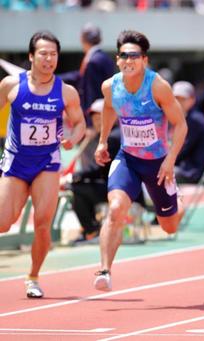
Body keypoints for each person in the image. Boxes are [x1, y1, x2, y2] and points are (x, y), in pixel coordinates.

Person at [93, 30, 187, 291]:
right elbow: (110, 108)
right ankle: (104, 270)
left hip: (158, 164)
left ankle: (178, 202)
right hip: (129, 159)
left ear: (145, 60)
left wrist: (170, 161)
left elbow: (181, 126)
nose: (128, 60)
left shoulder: (157, 86)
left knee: (168, 227)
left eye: (134, 55)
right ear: (117, 59)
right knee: (115, 209)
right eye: (124, 55)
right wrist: (102, 141)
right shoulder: (110, 87)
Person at [0, 31, 86, 298]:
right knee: (4, 222)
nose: (49, 59)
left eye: (53, 54)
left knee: (42, 222)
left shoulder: (66, 92)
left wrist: (73, 138)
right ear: (31, 56)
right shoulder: (11, 85)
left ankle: (33, 277)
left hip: (47, 163)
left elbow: (80, 122)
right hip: (15, 162)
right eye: (43, 54)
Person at [62, 98, 121, 244]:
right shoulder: (100, 137)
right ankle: (91, 229)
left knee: (77, 189)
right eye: (94, 118)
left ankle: (91, 230)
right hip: (111, 185)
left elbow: (100, 169)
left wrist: (73, 177)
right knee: (80, 187)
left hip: (118, 189)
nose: (98, 121)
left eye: (101, 117)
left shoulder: (114, 137)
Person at [60, 23, 115, 123]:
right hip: (106, 113)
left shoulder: (93, 61)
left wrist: (90, 123)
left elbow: (92, 94)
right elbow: (81, 76)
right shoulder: (105, 58)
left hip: (96, 118)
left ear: (82, 39)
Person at [172, 80, 204, 184]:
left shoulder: (194, 120)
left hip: (194, 171)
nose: (178, 102)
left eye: (182, 99)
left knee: (157, 174)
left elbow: (183, 149)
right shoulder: (188, 117)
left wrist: (167, 160)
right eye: (176, 98)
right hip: (190, 167)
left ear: (192, 100)